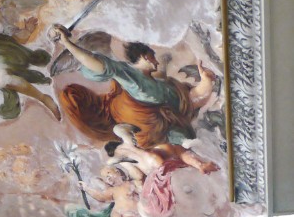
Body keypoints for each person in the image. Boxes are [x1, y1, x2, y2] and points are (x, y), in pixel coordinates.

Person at [51, 25, 218, 163]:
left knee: (181, 136)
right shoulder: (133, 78)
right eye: (153, 57)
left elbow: (190, 100)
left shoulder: (156, 84)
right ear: (145, 57)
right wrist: (67, 43)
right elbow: (103, 66)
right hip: (144, 123)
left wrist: (206, 81)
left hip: (151, 125)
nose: (156, 61)